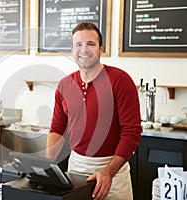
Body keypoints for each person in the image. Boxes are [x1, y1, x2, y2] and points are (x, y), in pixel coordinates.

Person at [46, 21, 142, 200]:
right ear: (72, 49)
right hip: (76, 169)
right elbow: (57, 130)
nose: (84, 50)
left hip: (112, 172)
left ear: (101, 49)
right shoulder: (64, 85)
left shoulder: (120, 81)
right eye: (78, 44)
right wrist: (46, 167)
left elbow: (132, 133)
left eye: (91, 44)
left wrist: (108, 173)